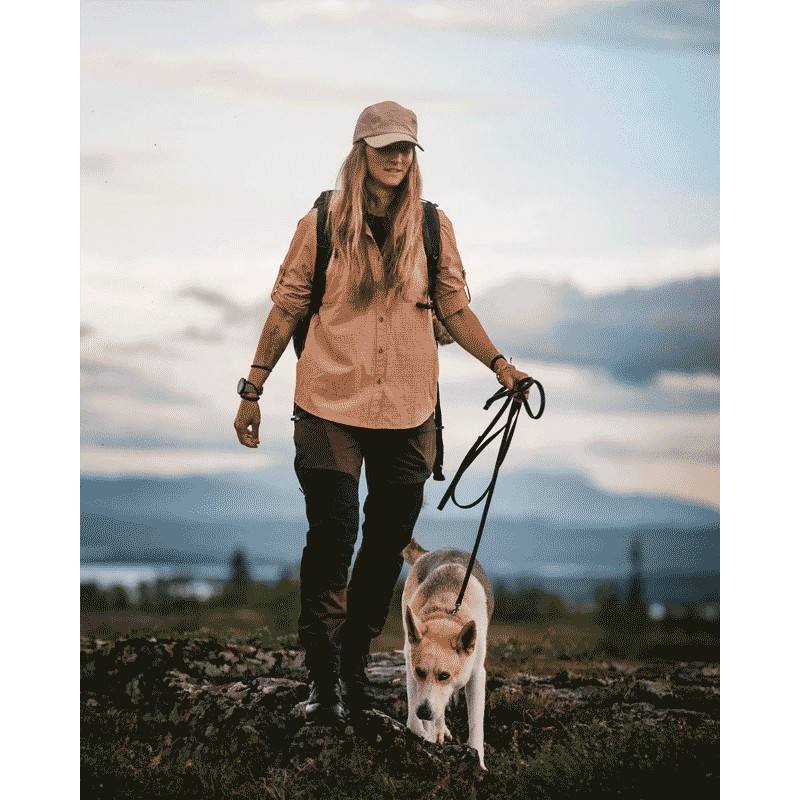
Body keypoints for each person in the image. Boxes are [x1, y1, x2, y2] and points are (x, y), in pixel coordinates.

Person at [234, 100, 531, 725]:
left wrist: (501, 366)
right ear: (361, 151)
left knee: (386, 545)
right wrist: (253, 387)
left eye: (405, 148)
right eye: (385, 147)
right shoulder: (321, 223)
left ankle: (352, 663)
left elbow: (453, 306)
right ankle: (324, 682)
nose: (396, 158)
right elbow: (287, 306)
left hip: (408, 408)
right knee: (334, 536)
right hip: (328, 402)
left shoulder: (432, 226)